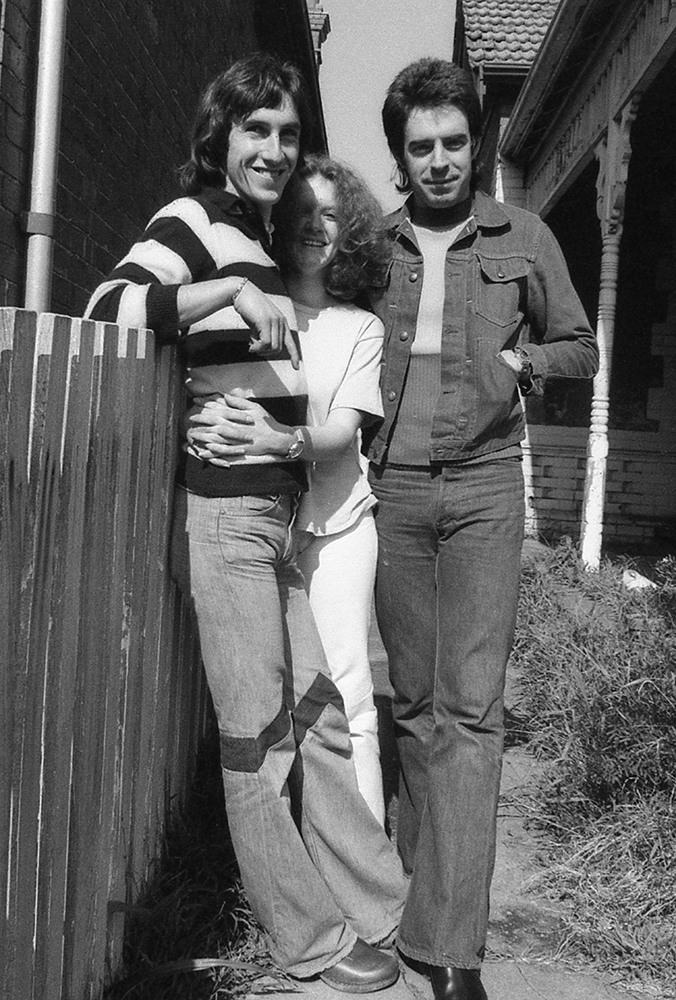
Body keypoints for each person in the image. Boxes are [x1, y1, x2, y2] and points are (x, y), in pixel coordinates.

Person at [84, 54, 406, 991]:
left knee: (323, 720)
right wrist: (227, 292)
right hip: (225, 521)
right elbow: (110, 305)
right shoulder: (194, 222)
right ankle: (309, 941)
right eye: (255, 129)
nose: (273, 149)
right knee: (255, 744)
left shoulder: (258, 235)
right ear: (220, 135)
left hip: (278, 519)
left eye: (288, 133)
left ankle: (381, 904)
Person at [364, 59, 600, 1000]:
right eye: (420, 146)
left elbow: (582, 346)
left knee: (471, 713)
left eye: (454, 142)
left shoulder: (524, 236)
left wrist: (521, 362)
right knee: (416, 706)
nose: (439, 161)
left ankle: (454, 949)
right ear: (400, 155)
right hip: (393, 491)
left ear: (477, 143)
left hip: (487, 490)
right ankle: (421, 897)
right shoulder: (373, 246)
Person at [185, 153, 391, 825]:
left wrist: (283, 440)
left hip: (335, 522)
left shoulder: (360, 326)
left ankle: (366, 857)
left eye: (330, 214)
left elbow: (343, 432)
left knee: (347, 690)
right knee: (271, 700)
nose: (313, 225)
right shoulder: (241, 306)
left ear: (349, 231)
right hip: (255, 522)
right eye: (301, 210)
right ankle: (297, 846)